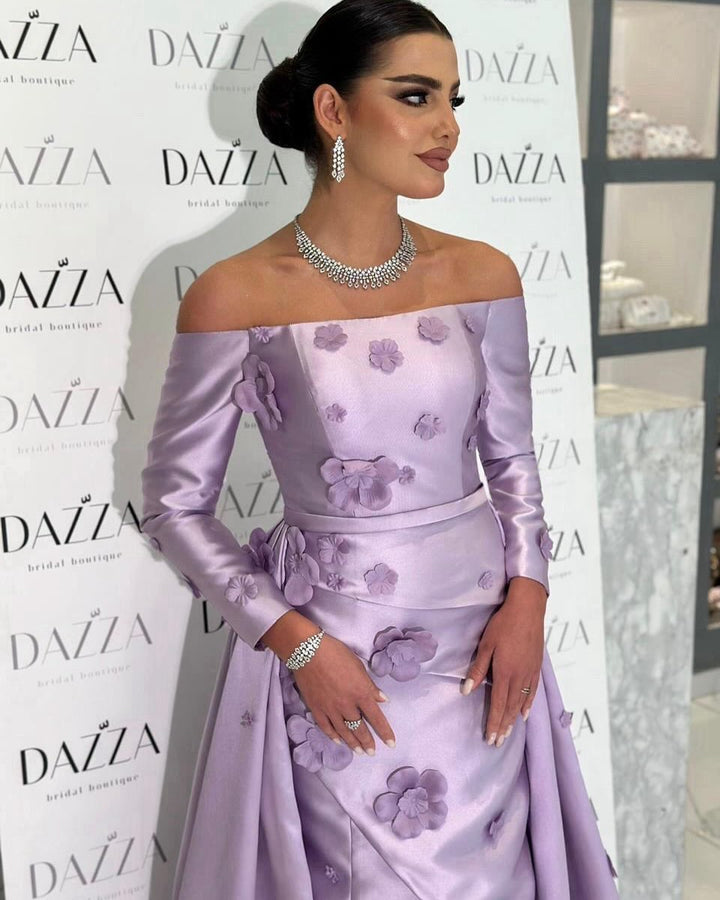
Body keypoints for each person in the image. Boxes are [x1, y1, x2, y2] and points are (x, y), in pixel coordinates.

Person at [140, 1, 620, 897]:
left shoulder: (481, 273)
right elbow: (174, 505)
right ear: (333, 110)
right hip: (337, 656)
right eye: (415, 96)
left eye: (453, 99)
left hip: (483, 647)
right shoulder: (234, 293)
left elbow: (513, 461)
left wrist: (528, 598)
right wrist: (296, 645)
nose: (448, 127)